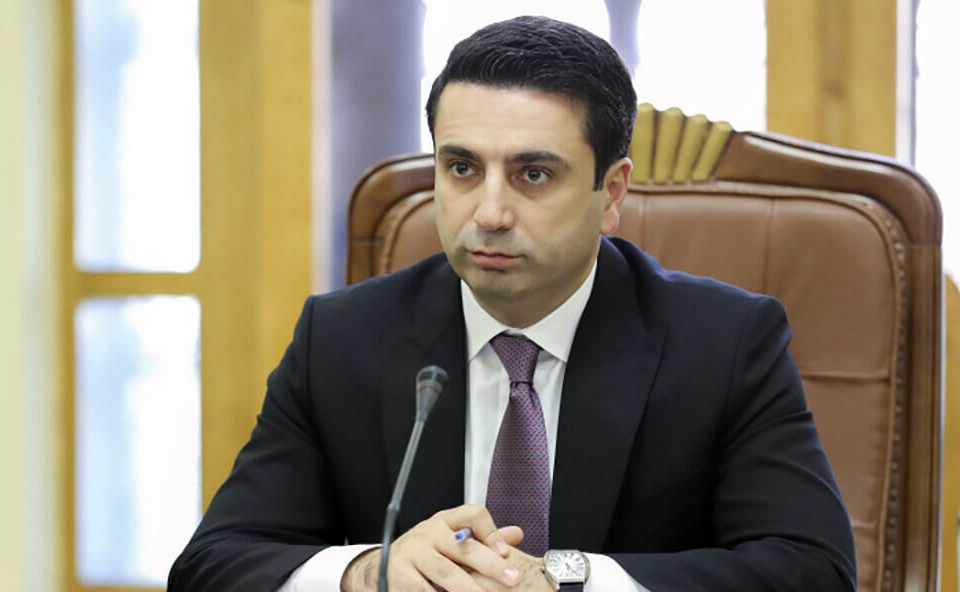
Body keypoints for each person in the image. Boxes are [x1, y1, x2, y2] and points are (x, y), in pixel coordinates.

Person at [168, 15, 856, 592]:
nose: (489, 213)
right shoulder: (343, 338)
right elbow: (213, 566)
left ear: (612, 193)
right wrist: (368, 570)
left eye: (533, 174)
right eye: (461, 168)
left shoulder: (726, 344)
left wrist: (567, 579)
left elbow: (813, 570)